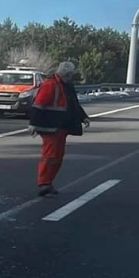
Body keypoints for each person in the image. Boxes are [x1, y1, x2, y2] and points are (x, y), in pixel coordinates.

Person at [30, 60, 90, 196]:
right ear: (68, 73)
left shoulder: (67, 85)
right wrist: (33, 124)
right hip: (50, 126)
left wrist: (83, 117)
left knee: (58, 156)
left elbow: (73, 103)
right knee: (50, 156)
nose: (72, 76)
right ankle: (44, 184)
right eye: (71, 74)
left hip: (62, 126)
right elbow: (38, 105)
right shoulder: (51, 84)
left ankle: (48, 183)